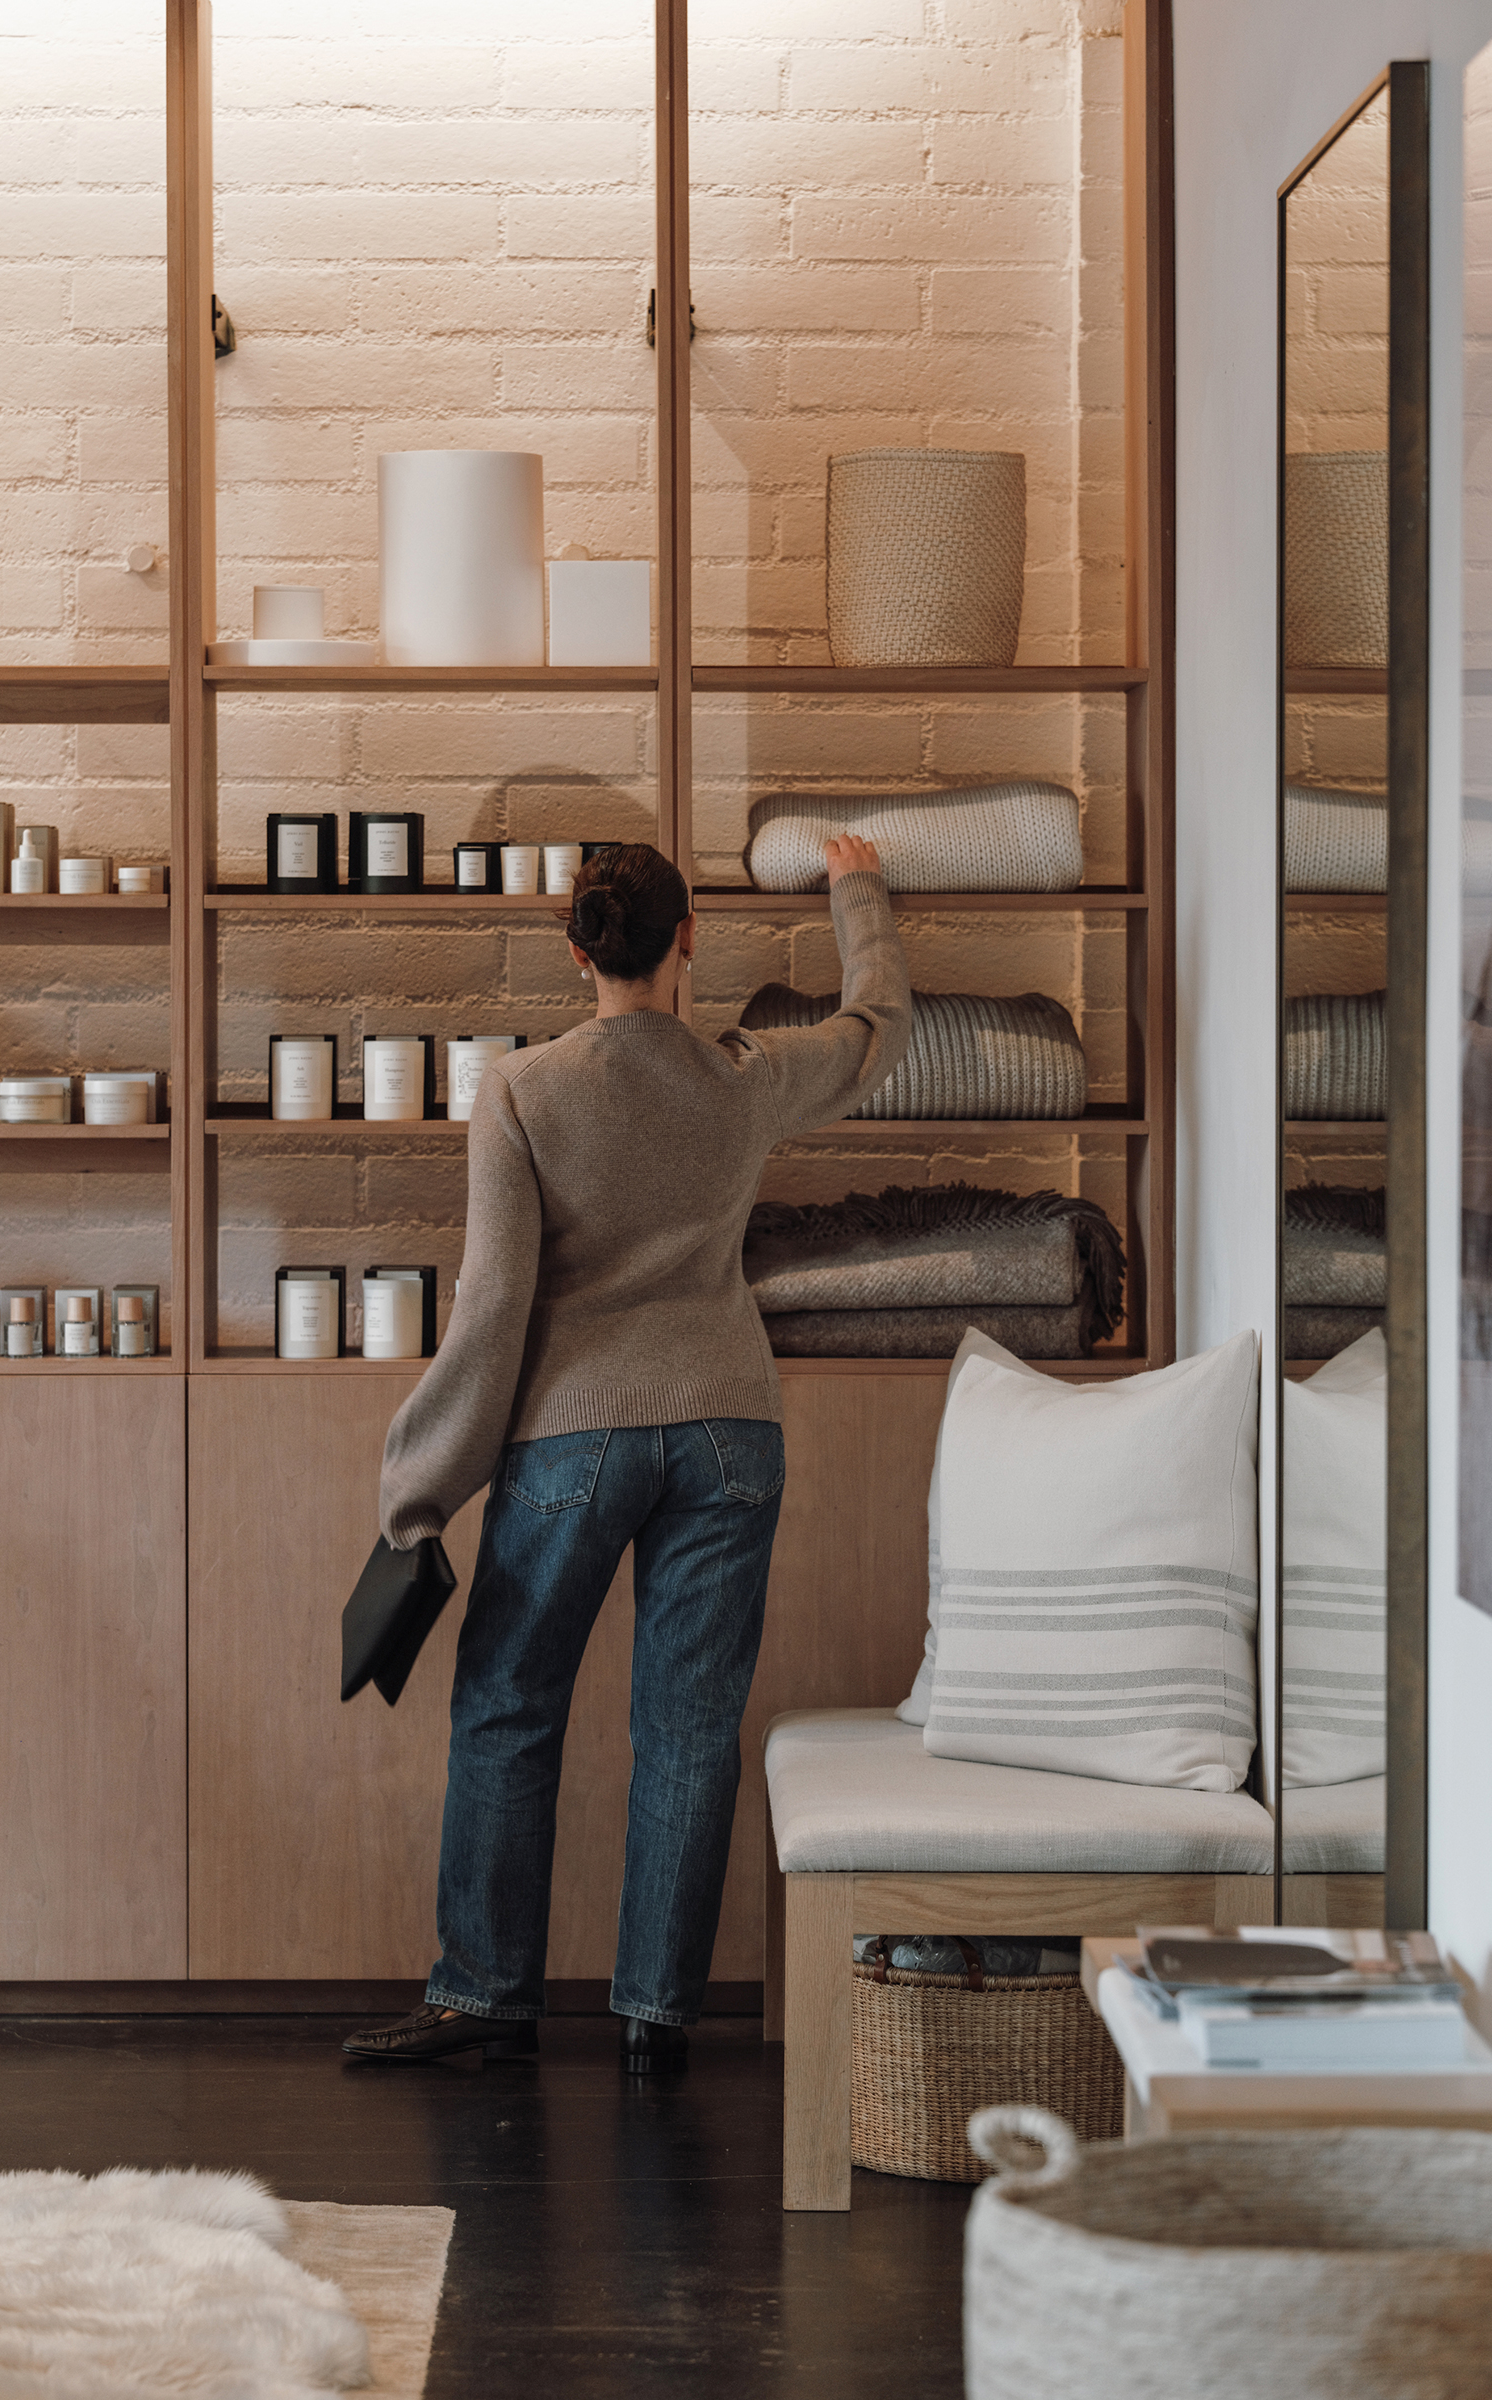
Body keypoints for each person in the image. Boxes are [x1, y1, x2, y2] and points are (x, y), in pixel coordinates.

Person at [344, 835, 908, 2072]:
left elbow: (492, 1311)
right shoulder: (745, 1078)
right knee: (690, 1727)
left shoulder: (521, 1090)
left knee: (506, 1706)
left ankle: (486, 1998)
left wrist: (418, 1494)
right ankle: (655, 2022)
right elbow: (876, 1032)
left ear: (575, 949)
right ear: (687, 935)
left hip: (574, 1438)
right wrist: (854, 890)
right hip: (729, 1428)